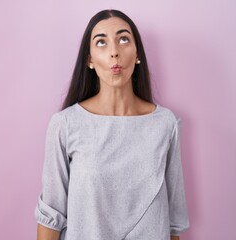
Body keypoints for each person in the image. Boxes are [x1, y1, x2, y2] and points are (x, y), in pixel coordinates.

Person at [34, 9, 190, 240]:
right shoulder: (66, 124)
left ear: (137, 54)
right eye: (101, 42)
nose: (114, 52)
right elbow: (51, 216)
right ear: (89, 59)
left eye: (123, 39)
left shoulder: (165, 124)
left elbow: (173, 223)